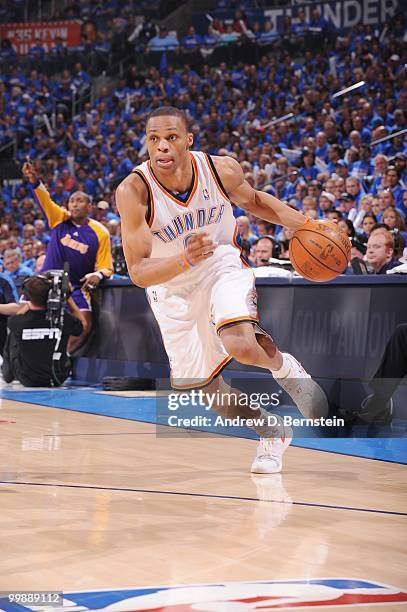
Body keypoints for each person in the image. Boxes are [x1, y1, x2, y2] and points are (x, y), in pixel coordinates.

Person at [116, 106, 327, 475]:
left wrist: (307, 224)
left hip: (219, 264)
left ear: (188, 140)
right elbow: (137, 271)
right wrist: (183, 259)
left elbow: (255, 200)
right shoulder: (134, 191)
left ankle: (285, 368)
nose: (162, 147)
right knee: (211, 394)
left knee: (242, 344)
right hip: (170, 288)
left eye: (171, 138)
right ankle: (272, 431)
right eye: (154, 140)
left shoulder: (220, 169)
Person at [22, 162, 113, 352]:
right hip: (45, 283)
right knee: (21, 316)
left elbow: (107, 266)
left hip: (75, 287)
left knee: (84, 326)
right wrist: (34, 180)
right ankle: (20, 360)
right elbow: (45, 200)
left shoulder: (100, 232)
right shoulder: (59, 219)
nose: (74, 204)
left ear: (89, 206)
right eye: (72, 201)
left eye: (80, 201)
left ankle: (61, 357)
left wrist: (98, 275)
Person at [2, 275, 83, 387]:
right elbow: (83, 325)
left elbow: (17, 316)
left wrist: (27, 304)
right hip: (58, 377)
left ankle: (7, 374)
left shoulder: (17, 321)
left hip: (27, 378)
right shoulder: (62, 318)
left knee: (13, 335)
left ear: (26, 296)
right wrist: (67, 297)